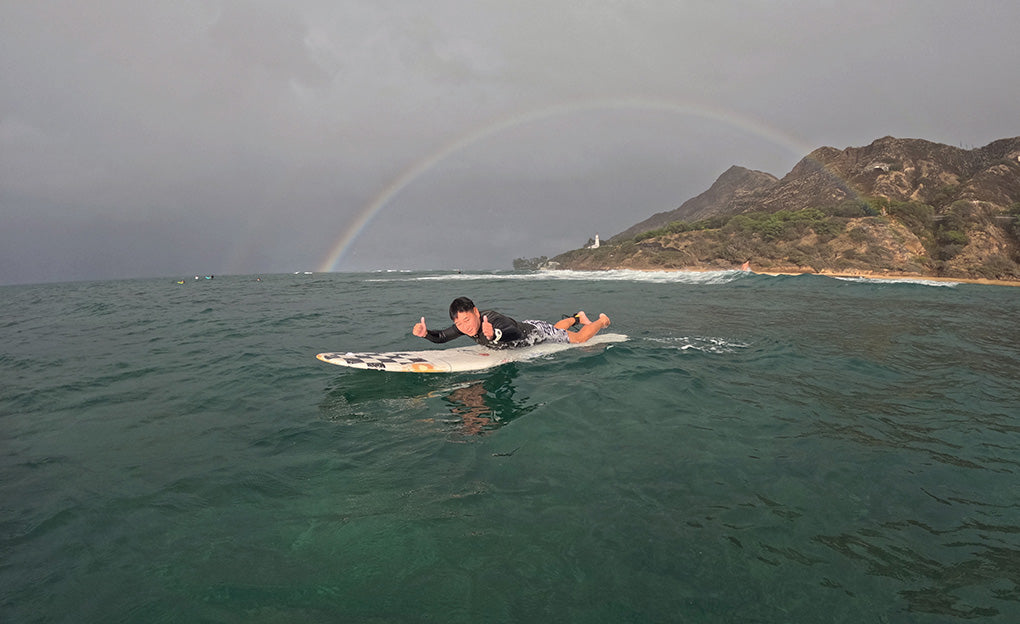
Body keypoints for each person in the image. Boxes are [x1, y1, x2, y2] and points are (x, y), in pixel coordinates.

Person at [412, 296, 611, 350]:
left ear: (475, 311)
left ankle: (601, 320)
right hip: (533, 325)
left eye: (467, 319)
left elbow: (513, 332)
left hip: (535, 333)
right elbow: (442, 337)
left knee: (580, 339)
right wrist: (426, 333)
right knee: (556, 329)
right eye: (460, 323)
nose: (465, 326)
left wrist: (493, 335)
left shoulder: (493, 319)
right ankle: (578, 317)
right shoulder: (465, 326)